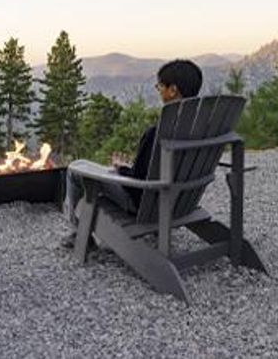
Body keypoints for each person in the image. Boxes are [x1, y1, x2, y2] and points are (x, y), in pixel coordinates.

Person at [62, 59, 203, 247]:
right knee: (91, 168)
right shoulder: (201, 127)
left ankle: (79, 234)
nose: (158, 90)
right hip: (181, 202)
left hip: (146, 204)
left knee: (75, 169)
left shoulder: (158, 132)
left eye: (160, 86)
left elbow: (137, 182)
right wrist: (129, 169)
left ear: (173, 90)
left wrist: (121, 170)